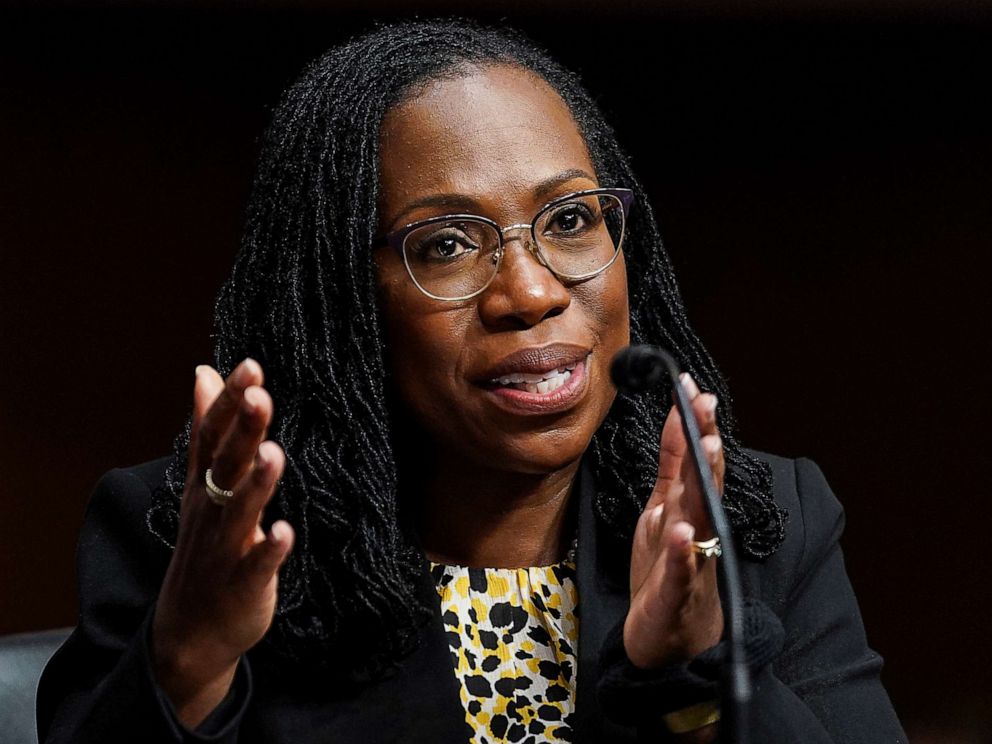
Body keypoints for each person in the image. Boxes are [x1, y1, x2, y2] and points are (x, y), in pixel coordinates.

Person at [37, 18, 906, 744]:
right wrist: (186, 659)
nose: (531, 293)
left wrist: (691, 676)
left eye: (569, 220)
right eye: (446, 244)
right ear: (341, 296)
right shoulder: (195, 545)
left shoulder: (757, 531)